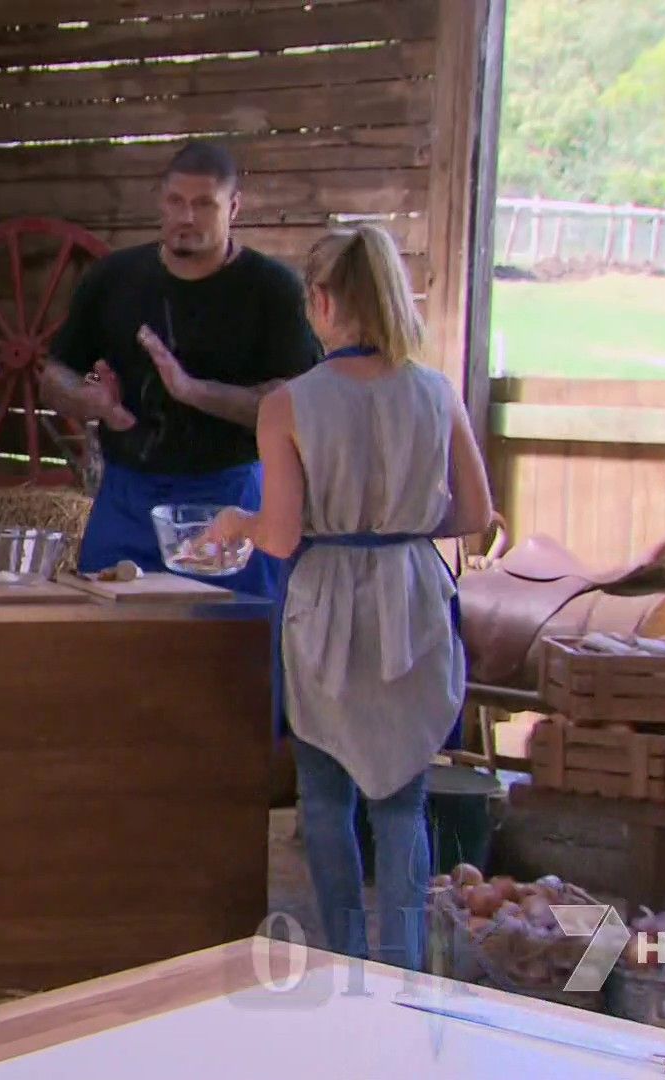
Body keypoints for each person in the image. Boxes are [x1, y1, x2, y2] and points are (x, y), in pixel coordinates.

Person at [201, 224, 493, 970]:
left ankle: (345, 962)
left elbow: (280, 536)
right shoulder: (437, 393)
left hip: (327, 606)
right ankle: (405, 973)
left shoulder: (289, 405)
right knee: (402, 802)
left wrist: (236, 521)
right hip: (413, 598)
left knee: (326, 798)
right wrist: (402, 525)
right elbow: (474, 513)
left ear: (323, 301)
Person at [39, 140, 322, 598]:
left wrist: (194, 391)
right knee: (106, 627)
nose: (186, 217)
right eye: (176, 201)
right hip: (127, 495)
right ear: (161, 200)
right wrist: (90, 401)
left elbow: (298, 405)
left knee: (231, 631)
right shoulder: (113, 278)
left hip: (229, 496)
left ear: (234, 207)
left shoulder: (272, 290)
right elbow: (54, 378)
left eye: (204, 204)